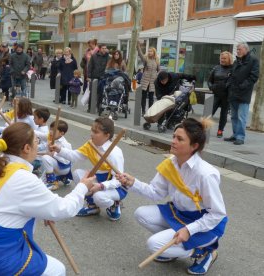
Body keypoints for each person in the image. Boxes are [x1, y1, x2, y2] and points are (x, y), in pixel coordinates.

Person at [0, 122, 95, 276]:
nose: (38, 145)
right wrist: (82, 187)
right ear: (27, 148)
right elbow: (63, 209)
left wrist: (41, 211)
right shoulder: (23, 178)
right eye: (36, 141)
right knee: (57, 270)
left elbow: (6, 203)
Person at [117, 118, 228, 275]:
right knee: (141, 214)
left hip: (206, 224)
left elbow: (217, 214)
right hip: (179, 215)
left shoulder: (206, 174)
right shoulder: (171, 163)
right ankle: (176, 248)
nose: (173, 141)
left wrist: (189, 230)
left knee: (154, 245)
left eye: (179, 139)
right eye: (174, 136)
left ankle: (204, 252)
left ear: (194, 146)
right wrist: (132, 182)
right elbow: (156, 193)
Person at [50, 117, 127, 221]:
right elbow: (74, 156)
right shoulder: (91, 144)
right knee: (78, 174)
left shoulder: (115, 153)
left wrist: (101, 186)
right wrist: (59, 149)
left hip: (115, 186)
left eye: (96, 132)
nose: (91, 134)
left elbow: (118, 180)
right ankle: (93, 207)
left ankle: (114, 203)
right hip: (100, 177)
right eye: (92, 130)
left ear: (107, 135)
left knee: (99, 197)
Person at [224, 43, 259, 145]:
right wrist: (229, 83)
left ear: (245, 50)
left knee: (241, 117)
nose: (237, 51)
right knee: (234, 117)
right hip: (233, 93)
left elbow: (254, 77)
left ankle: (240, 137)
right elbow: (232, 74)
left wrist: (243, 86)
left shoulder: (253, 60)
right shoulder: (236, 61)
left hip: (244, 94)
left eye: (239, 49)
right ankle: (235, 135)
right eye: (237, 49)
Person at [208, 51, 233, 138]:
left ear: (229, 59)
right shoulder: (216, 68)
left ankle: (220, 130)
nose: (222, 60)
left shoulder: (233, 69)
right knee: (209, 112)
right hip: (216, 94)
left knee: (223, 114)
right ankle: (204, 128)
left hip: (226, 96)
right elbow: (209, 81)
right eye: (221, 58)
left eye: (224, 58)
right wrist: (211, 87)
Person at [42, 120, 72, 191]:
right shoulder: (51, 139)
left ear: (62, 133)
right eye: (51, 129)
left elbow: (67, 161)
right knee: (40, 182)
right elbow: (48, 153)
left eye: (54, 130)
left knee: (46, 158)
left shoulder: (66, 144)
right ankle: (63, 178)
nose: (51, 132)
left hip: (63, 168)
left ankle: (52, 182)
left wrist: (54, 154)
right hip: (54, 165)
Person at [137, 44, 160, 115]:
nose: (149, 52)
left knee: (151, 97)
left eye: (151, 51)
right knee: (143, 96)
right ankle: (143, 111)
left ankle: (150, 111)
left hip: (153, 81)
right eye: (149, 51)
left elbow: (159, 70)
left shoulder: (156, 60)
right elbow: (140, 55)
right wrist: (138, 46)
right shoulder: (146, 59)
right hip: (145, 80)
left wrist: (157, 76)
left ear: (154, 52)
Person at [87, 44, 109, 111]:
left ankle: (99, 107)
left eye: (105, 48)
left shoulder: (107, 57)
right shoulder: (94, 56)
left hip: (102, 78)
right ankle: (90, 107)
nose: (104, 49)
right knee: (92, 93)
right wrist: (89, 76)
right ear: (99, 49)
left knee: (101, 93)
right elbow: (90, 66)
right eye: (103, 48)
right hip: (94, 77)